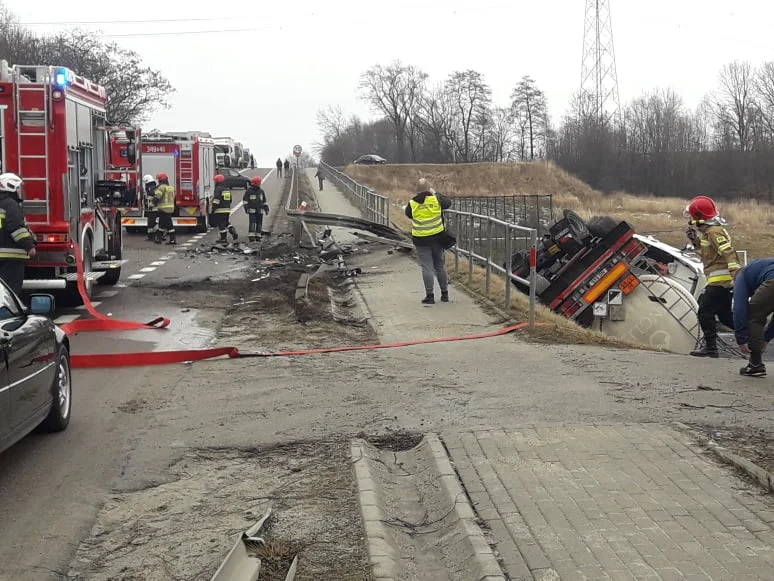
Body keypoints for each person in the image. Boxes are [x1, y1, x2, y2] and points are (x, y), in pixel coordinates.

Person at [684, 195, 741, 358]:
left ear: (701, 218)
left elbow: (728, 252)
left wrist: (736, 274)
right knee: (725, 317)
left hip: (720, 282)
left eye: (693, 218)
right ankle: (753, 335)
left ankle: (711, 348)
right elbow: (709, 254)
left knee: (704, 311)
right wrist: (694, 241)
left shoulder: (714, 232)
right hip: (721, 282)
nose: (691, 221)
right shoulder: (709, 233)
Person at [404, 178, 453, 305]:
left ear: (417, 190)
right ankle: (445, 294)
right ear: (429, 189)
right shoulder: (436, 199)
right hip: (437, 238)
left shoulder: (412, 203)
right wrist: (435, 193)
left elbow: (408, 215)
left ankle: (430, 296)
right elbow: (448, 202)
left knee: (427, 267)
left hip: (421, 239)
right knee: (439, 265)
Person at [733, 258, 774, 377]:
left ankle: (755, 365)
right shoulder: (759, 267)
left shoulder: (741, 276)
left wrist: (741, 338)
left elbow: (739, 308)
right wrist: (766, 338)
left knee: (754, 317)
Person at [0, 173, 36, 296]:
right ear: (10, 187)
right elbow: (17, 229)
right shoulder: (10, 205)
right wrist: (29, 246)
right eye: (19, 188)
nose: (21, 191)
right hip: (11, 258)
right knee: (10, 292)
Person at [211, 174, 239, 244]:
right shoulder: (227, 189)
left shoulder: (218, 189)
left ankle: (223, 239)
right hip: (227, 209)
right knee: (226, 222)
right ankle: (233, 231)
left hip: (219, 210)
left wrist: (213, 208)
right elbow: (230, 200)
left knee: (221, 224)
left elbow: (216, 200)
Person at [243, 176, 270, 243]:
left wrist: (266, 209)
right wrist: (246, 208)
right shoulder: (249, 191)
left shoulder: (261, 191)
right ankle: (251, 237)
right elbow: (245, 201)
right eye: (259, 183)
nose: (260, 184)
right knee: (252, 223)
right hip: (252, 211)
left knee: (259, 223)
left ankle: (258, 236)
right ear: (257, 183)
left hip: (260, 211)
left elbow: (264, 201)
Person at [153, 172, 176, 245]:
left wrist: (152, 204)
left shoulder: (161, 187)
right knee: (163, 224)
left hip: (163, 209)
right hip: (170, 208)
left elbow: (157, 197)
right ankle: (159, 239)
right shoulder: (170, 188)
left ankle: (171, 239)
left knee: (166, 225)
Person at [142, 174, 159, 241]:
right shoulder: (153, 186)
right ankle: (153, 236)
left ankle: (154, 236)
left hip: (153, 208)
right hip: (152, 208)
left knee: (151, 223)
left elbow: (153, 196)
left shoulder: (150, 188)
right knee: (151, 223)